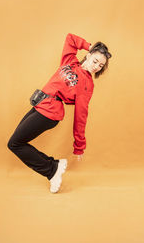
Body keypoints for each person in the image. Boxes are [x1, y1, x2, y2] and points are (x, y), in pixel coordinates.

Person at [7, 33, 112, 193]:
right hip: (40, 103)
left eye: (100, 65)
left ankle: (51, 170)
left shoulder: (87, 84)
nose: (96, 66)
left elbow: (81, 115)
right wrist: (90, 45)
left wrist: (79, 145)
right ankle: (54, 166)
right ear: (89, 56)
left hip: (50, 111)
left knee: (15, 143)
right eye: (95, 60)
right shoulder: (70, 61)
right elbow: (70, 39)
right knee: (16, 142)